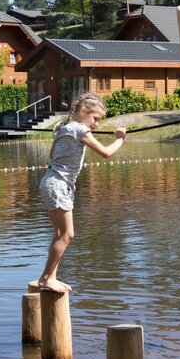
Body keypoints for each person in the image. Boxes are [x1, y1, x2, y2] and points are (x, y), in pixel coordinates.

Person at [38, 93, 127, 294]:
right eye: (95, 118)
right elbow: (105, 153)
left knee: (60, 234)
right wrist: (120, 139)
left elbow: (53, 154)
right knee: (68, 234)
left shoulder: (61, 127)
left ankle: (51, 277)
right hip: (59, 185)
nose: (95, 124)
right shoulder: (79, 129)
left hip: (50, 181)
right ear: (83, 112)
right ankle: (45, 278)